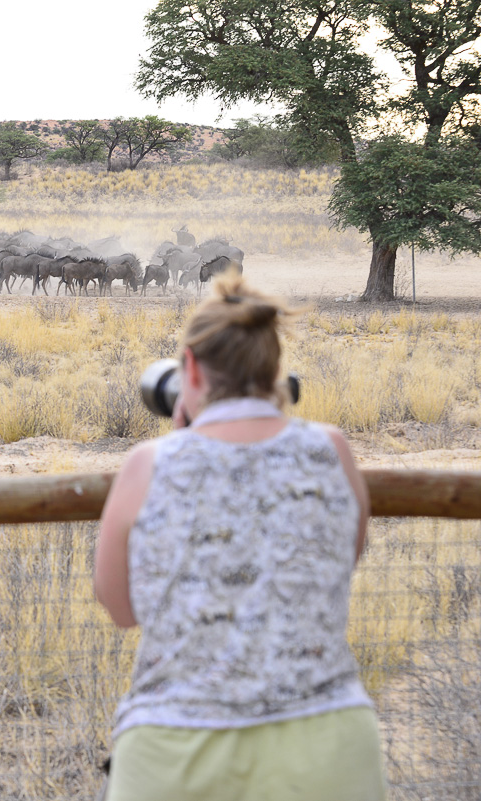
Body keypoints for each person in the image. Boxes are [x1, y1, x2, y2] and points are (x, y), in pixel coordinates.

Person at [93, 274, 386, 801]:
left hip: (175, 744)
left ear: (190, 370)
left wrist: (186, 444)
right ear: (277, 372)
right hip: (326, 739)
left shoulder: (148, 465)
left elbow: (120, 609)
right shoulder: (332, 449)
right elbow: (340, 560)